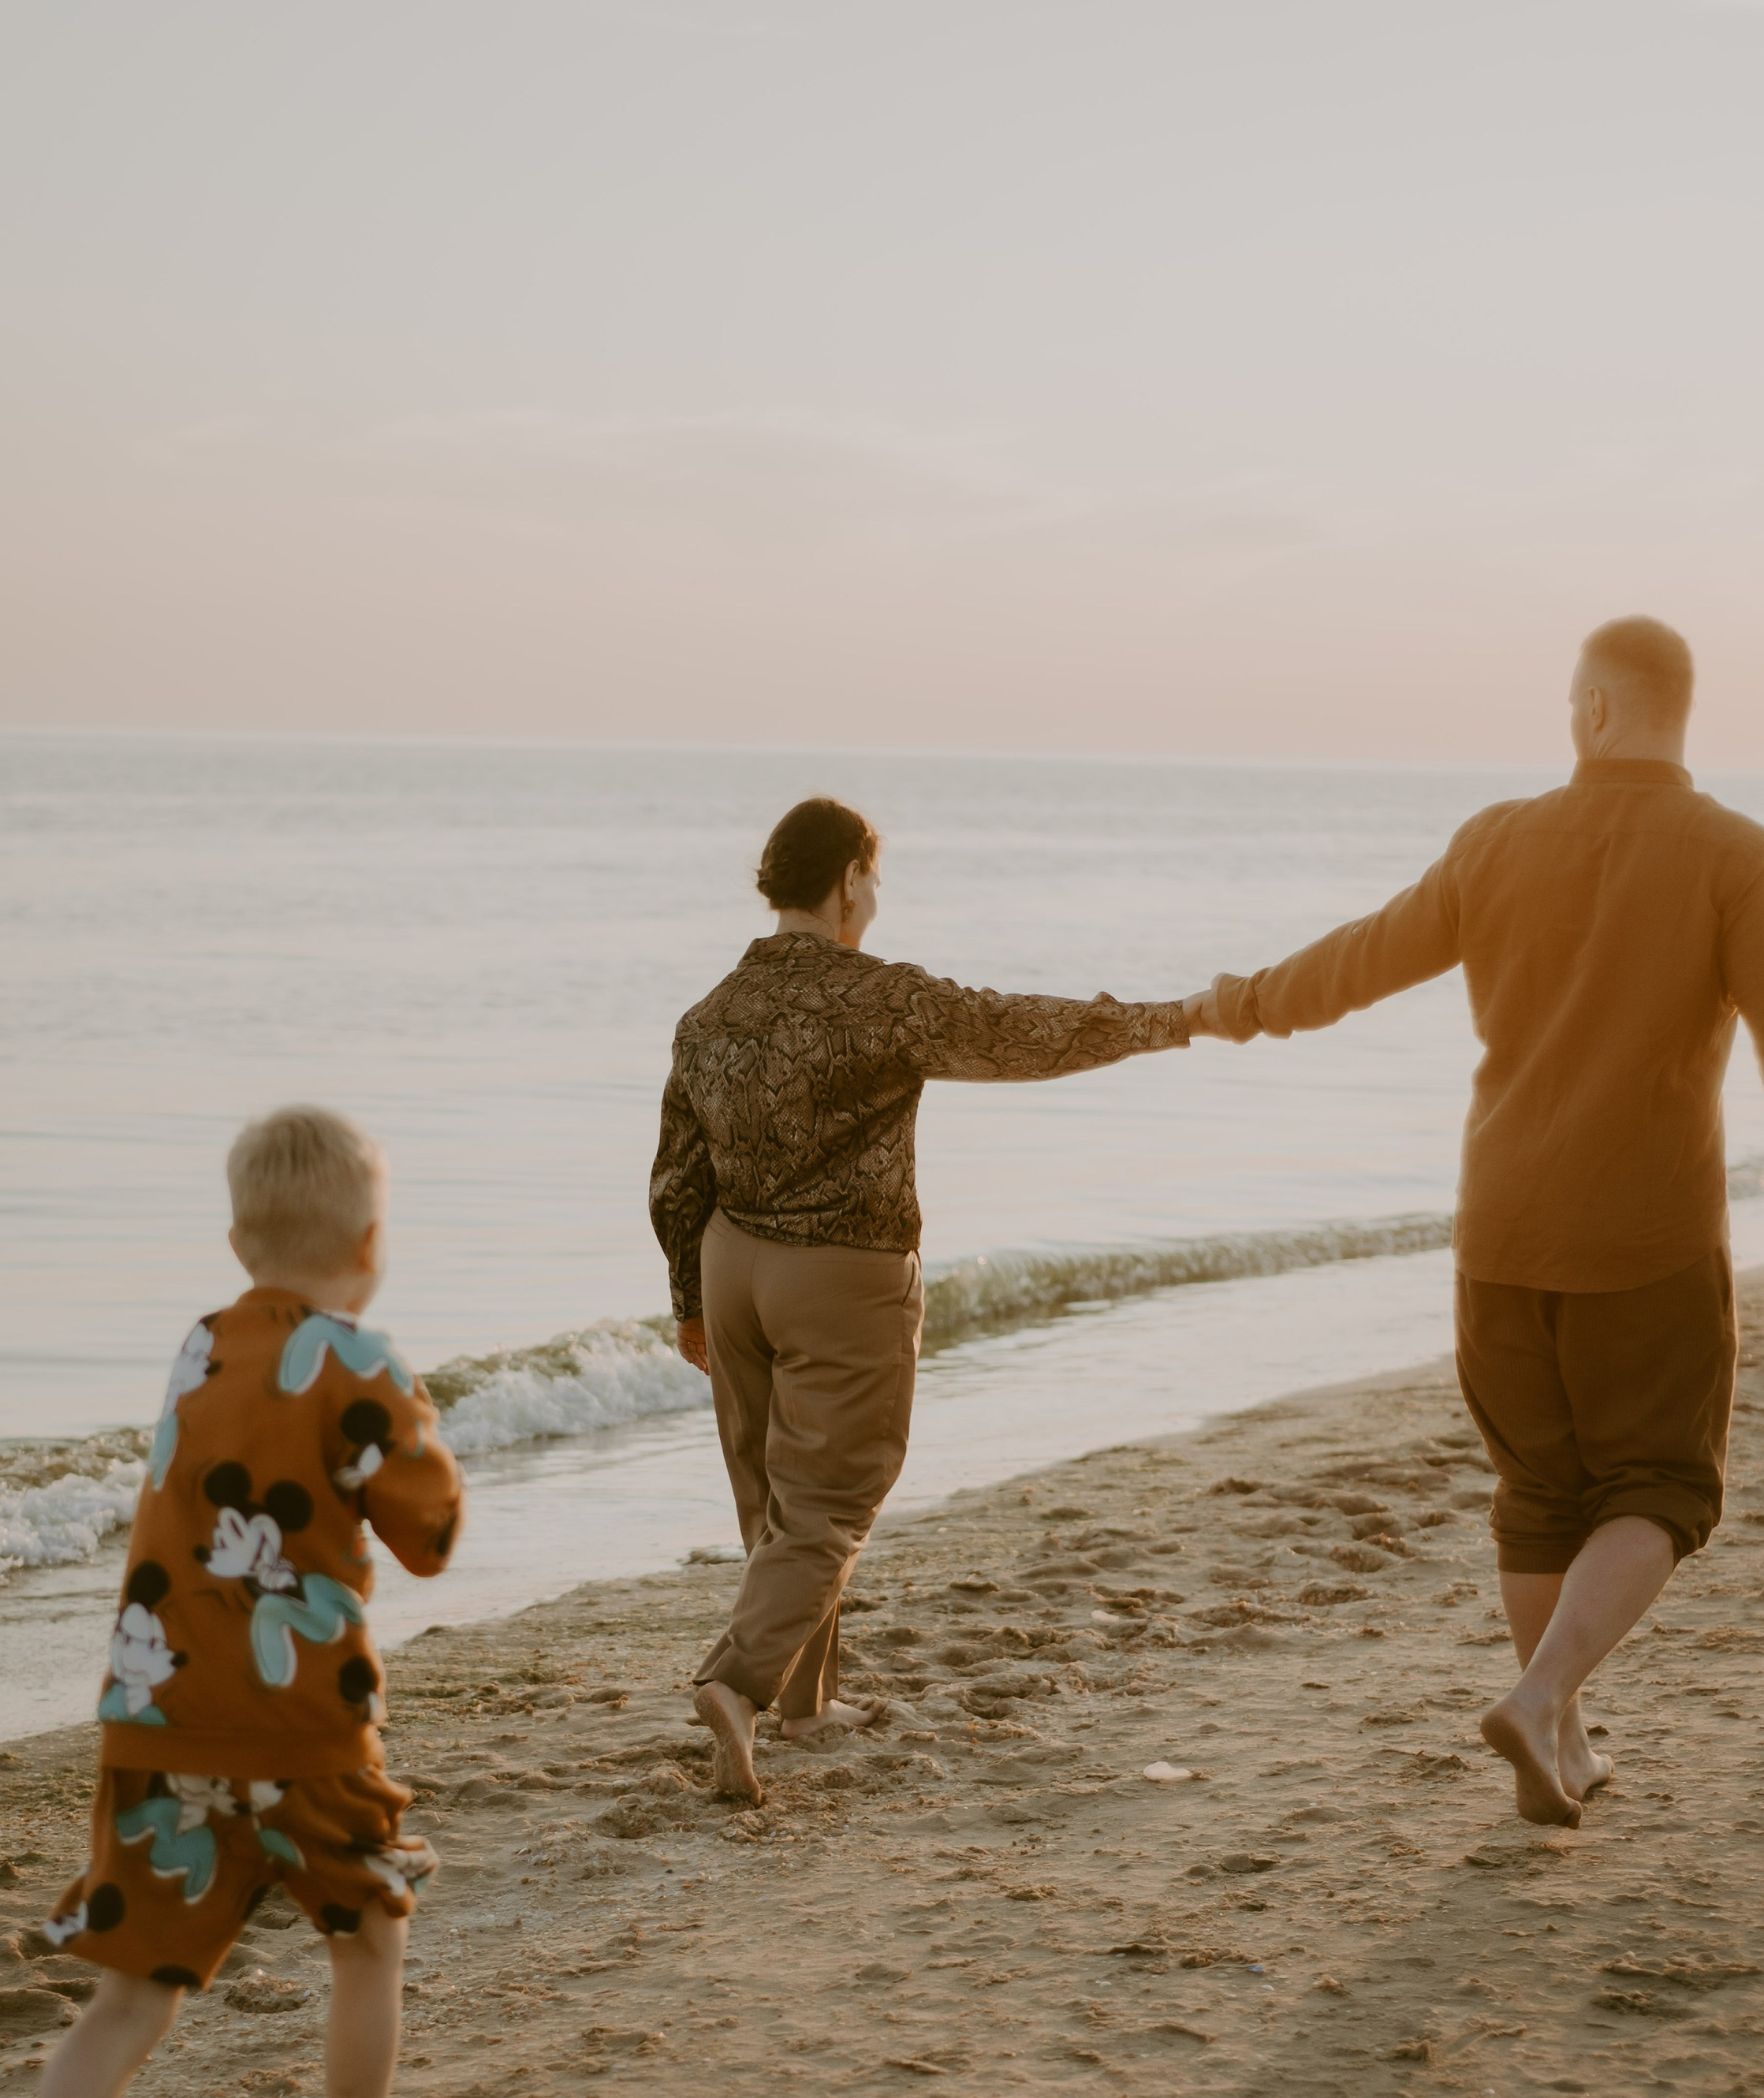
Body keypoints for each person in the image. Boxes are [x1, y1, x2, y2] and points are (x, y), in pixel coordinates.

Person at [1191, 617, 1764, 1827]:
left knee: (1540, 1488)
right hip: (1645, 1241)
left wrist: (1235, 1006)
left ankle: (1558, 1742)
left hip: (1496, 1235)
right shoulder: (1733, 856)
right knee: (1662, 1486)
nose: (1569, 720)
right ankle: (1543, 1693)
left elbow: (1358, 960)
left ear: (1600, 708)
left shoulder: (1497, 841)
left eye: (1571, 702)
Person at [0, 1106, 465, 2098]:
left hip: (158, 1710)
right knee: (369, 1939)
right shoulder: (364, 1361)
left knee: (128, 1995)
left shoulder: (197, 1346)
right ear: (372, 1238)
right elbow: (429, 1534)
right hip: (306, 1729)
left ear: (240, 1241)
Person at [651, 796, 1200, 1805]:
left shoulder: (709, 1016)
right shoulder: (883, 998)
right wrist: (1164, 1023)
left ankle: (806, 1706)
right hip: (841, 1273)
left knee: (772, 1501)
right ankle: (735, 1685)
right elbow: (1014, 1032)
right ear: (851, 878)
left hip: (733, 1268)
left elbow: (674, 1177)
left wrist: (689, 1299)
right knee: (829, 1499)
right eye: (875, 875)